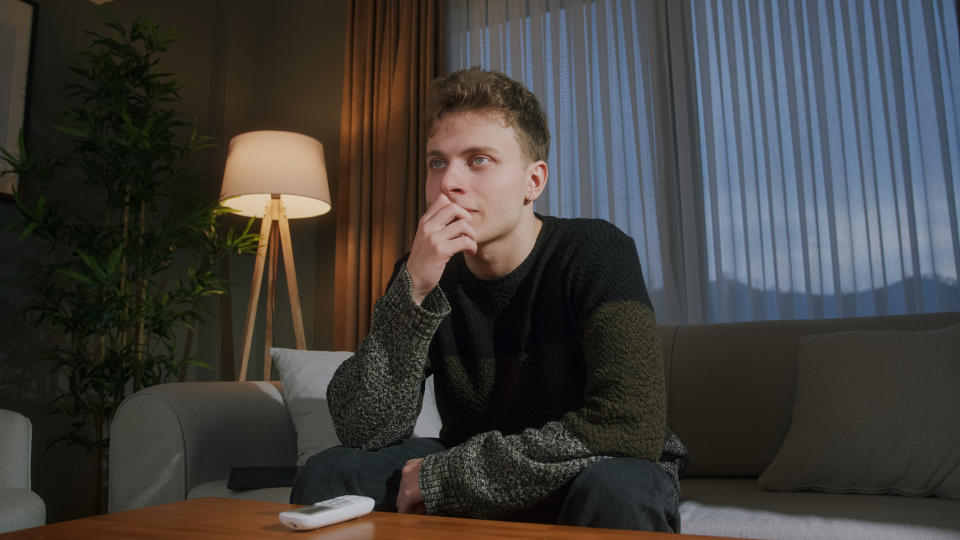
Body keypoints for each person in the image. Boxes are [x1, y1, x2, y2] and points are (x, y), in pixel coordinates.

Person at [290, 67, 688, 532]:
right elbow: (364, 429)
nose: (448, 183)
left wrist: (447, 477)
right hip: (478, 464)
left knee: (618, 489)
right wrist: (413, 290)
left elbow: (628, 425)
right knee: (331, 472)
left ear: (533, 182)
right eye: (437, 162)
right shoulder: (422, 271)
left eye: (478, 160)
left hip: (588, 467)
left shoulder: (596, 251)